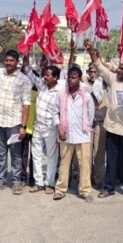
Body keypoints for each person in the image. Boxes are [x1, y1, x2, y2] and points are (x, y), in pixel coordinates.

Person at [84, 38, 123, 200]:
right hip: (112, 127)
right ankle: (108, 188)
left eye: (122, 68)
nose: (118, 70)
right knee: (111, 160)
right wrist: (91, 49)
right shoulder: (113, 79)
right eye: (119, 68)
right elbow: (98, 65)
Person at [0, 46, 32, 195]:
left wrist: (23, 126)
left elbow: (26, 104)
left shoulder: (24, 80)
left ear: (17, 62)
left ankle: (16, 182)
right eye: (7, 60)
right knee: (1, 154)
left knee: (15, 154)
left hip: (15, 123)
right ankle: (1, 180)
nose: (9, 63)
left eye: (12, 61)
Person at [50, 66, 95, 201]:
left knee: (84, 164)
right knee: (64, 163)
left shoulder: (86, 96)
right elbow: (55, 112)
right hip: (65, 134)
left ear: (79, 79)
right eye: (69, 77)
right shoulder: (61, 95)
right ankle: (60, 189)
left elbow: (90, 115)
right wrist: (59, 128)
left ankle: (85, 190)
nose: (70, 80)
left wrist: (86, 128)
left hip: (83, 135)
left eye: (73, 78)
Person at [22, 56, 63, 195]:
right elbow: (28, 71)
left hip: (51, 128)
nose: (45, 77)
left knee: (51, 157)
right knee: (37, 155)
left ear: (56, 77)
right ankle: (39, 183)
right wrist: (26, 55)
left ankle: (50, 184)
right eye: (44, 75)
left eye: (48, 75)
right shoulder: (41, 85)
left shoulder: (61, 90)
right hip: (38, 126)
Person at [87, 65, 107, 189]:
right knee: (86, 154)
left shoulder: (105, 85)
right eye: (91, 71)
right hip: (87, 124)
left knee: (99, 154)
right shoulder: (84, 84)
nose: (93, 73)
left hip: (100, 122)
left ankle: (99, 180)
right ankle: (87, 180)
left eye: (95, 71)